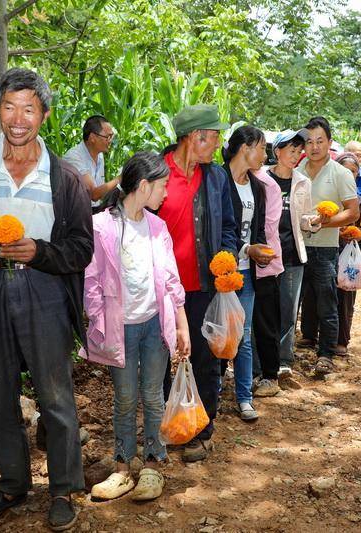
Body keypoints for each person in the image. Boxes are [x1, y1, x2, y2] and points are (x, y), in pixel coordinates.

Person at [0, 68, 93, 530]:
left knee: (55, 395)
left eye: (28, 108)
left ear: (44, 115)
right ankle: (12, 484)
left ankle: (63, 489)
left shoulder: (65, 177)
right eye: (9, 107)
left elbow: (82, 248)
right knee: (0, 394)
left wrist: (40, 251)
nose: (18, 118)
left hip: (43, 288)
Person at [84, 152, 190, 501]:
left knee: (153, 395)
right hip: (121, 329)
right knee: (125, 397)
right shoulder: (102, 227)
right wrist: (99, 320)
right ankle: (122, 466)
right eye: (162, 186)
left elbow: (172, 281)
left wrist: (181, 325)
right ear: (143, 186)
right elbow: (92, 281)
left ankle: (153, 464)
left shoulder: (157, 227)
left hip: (153, 326)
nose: (165, 194)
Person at [158, 104, 236, 462]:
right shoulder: (155, 171)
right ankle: (163, 426)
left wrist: (227, 259)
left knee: (204, 360)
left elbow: (229, 228)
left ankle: (201, 430)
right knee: (158, 359)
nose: (219, 144)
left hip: (203, 287)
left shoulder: (217, 177)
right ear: (195, 137)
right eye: (215, 136)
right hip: (161, 291)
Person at [296, 117, 359, 376]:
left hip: (324, 248)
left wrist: (325, 223)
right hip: (296, 246)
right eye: (309, 142)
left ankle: (326, 355)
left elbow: (352, 212)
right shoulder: (296, 170)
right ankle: (284, 354)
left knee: (326, 302)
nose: (314, 147)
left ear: (330, 143)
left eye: (320, 141)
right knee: (293, 303)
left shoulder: (340, 174)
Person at [222, 126, 278, 421]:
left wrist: (261, 250)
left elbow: (256, 230)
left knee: (243, 336)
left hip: (246, 277)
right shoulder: (217, 180)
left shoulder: (257, 187)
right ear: (245, 147)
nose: (265, 155)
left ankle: (244, 397)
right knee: (217, 333)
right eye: (262, 148)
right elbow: (218, 231)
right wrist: (246, 250)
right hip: (220, 274)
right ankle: (214, 386)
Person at [263, 129, 312, 388]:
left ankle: (283, 361)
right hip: (267, 257)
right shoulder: (260, 179)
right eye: (290, 150)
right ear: (277, 152)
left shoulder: (303, 182)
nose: (295, 156)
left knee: (288, 311)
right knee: (265, 311)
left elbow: (304, 218)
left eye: (298, 151)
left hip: (292, 255)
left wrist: (312, 221)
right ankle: (261, 363)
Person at [334, 152, 361, 352]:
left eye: (353, 172)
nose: (349, 175)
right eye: (345, 171)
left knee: (345, 298)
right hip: (326, 254)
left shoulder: (359, 203)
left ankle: (341, 340)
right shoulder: (328, 197)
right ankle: (313, 336)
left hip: (349, 259)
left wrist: (359, 235)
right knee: (320, 296)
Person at [63, 115, 120, 204]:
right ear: (93, 138)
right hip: (75, 214)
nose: (110, 141)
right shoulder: (74, 157)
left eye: (111, 136)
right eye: (107, 137)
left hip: (93, 211)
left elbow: (101, 192)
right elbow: (93, 194)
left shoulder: (99, 155)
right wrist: (120, 178)